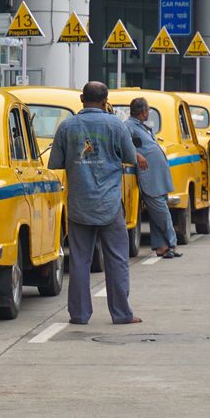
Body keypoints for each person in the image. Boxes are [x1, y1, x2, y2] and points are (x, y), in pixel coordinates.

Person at [47, 81, 142, 325]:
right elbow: (131, 158)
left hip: (79, 205)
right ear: (105, 100)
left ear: (81, 99)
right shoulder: (116, 125)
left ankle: (79, 315)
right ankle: (121, 314)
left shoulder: (67, 127)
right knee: (117, 259)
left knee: (79, 261)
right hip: (110, 204)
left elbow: (55, 163)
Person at [124, 97, 181, 259]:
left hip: (157, 176)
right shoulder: (129, 126)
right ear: (142, 112)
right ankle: (172, 243)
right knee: (162, 213)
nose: (148, 113)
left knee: (158, 212)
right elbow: (124, 145)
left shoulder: (143, 127)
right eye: (147, 110)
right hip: (149, 177)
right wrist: (137, 155)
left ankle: (161, 247)